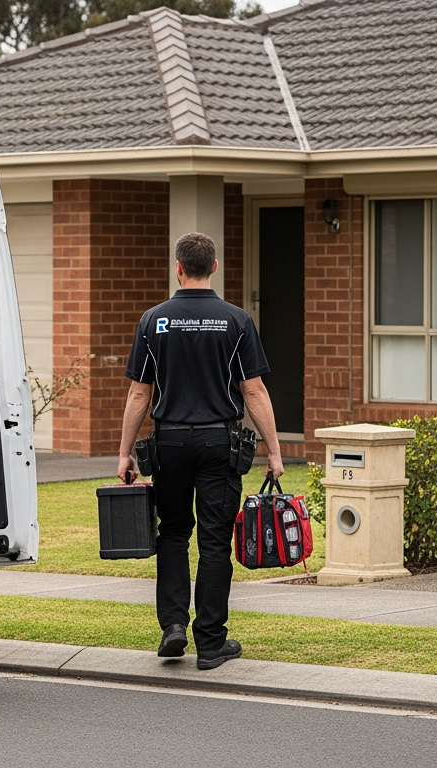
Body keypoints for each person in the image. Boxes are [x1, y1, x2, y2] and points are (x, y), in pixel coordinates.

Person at [117, 232, 285, 670]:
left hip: (168, 442)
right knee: (214, 542)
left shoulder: (154, 320)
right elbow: (254, 390)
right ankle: (210, 644)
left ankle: (173, 626)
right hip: (218, 442)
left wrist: (124, 454)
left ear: (178, 267)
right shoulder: (236, 320)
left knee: (173, 534)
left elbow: (139, 394)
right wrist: (275, 450)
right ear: (214, 267)